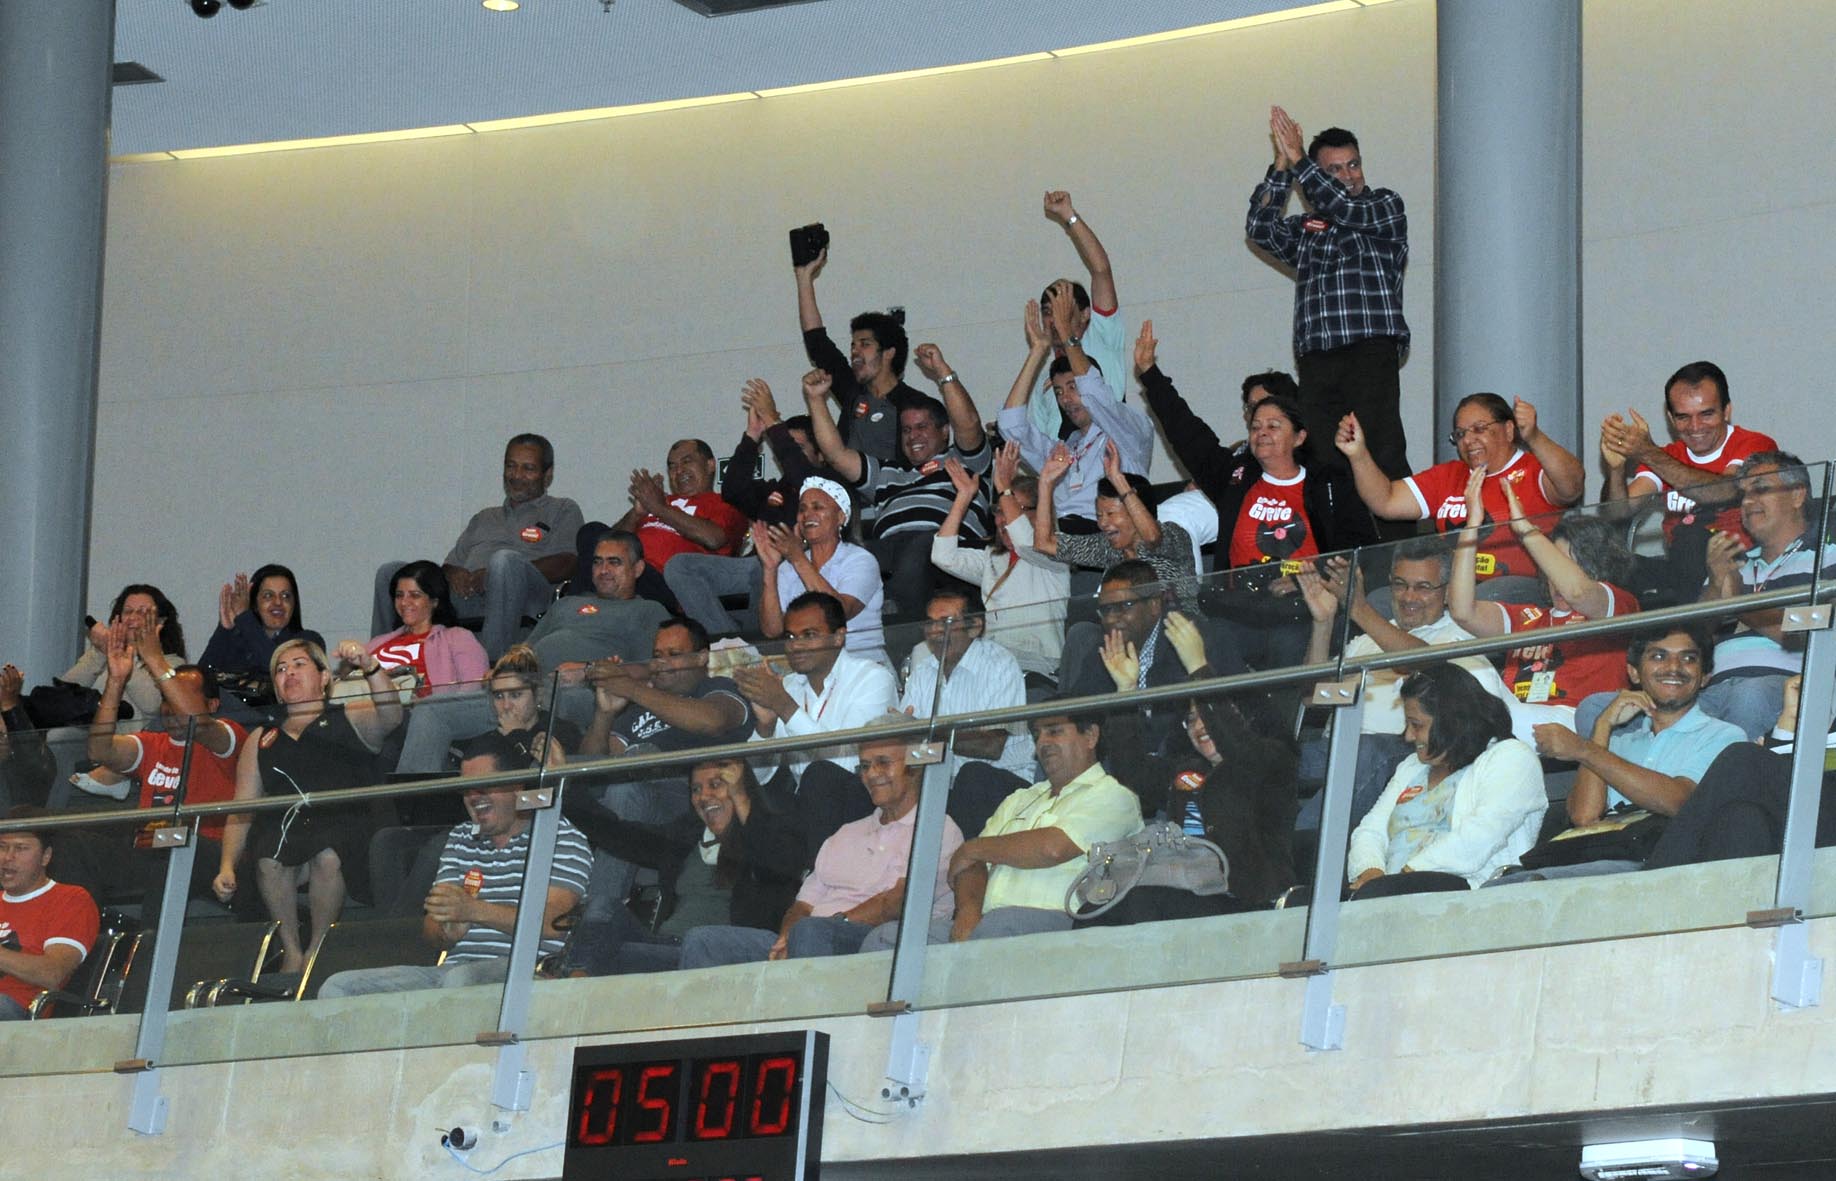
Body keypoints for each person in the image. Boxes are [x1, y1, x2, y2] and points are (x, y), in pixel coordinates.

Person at [317, 733, 591, 998]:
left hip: (529, 973)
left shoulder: (559, 836)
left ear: (515, 786)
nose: (473, 797)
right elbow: (432, 929)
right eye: (466, 789)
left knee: (461, 981)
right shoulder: (461, 838)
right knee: (339, 987)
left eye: (483, 786)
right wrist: (445, 932)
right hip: (452, 971)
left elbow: (553, 923)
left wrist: (474, 910)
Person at [679, 723, 963, 968]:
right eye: (864, 766)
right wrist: (786, 938)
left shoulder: (936, 828)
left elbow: (896, 904)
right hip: (811, 936)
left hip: (875, 942)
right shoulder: (847, 833)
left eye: (883, 762)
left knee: (812, 933)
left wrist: (833, 924)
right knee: (703, 941)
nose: (871, 774)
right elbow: (802, 904)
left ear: (916, 767)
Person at [1080, 612, 1300, 921]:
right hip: (1185, 888)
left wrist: (1199, 669)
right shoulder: (1188, 769)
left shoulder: (1272, 761)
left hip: (1245, 900)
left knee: (1140, 905)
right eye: (1191, 719)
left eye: (1206, 715)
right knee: (1095, 908)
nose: (1199, 725)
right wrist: (1126, 693)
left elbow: (1240, 753)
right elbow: (1133, 773)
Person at [862, 710, 1140, 948]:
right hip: (985, 923)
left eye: (1054, 732)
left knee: (1000, 926)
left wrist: (973, 848)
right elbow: (969, 866)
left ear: (1090, 736)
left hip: (1061, 922)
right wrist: (968, 913)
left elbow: (1053, 848)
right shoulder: (1020, 799)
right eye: (1037, 735)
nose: (1043, 743)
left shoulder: (1113, 795)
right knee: (885, 939)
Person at [1293, 544, 1515, 832]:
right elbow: (1312, 696)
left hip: (1407, 754)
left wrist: (1359, 608)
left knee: (1368, 751)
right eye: (1400, 585)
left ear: (1448, 591)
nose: (1409, 597)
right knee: (1269, 755)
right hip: (1339, 748)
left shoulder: (1460, 639)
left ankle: (1303, 844)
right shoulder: (1366, 640)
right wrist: (1323, 623)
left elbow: (1421, 662)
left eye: (1423, 587)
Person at [1499, 623, 1745, 883]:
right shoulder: (1616, 744)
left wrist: (1583, 749)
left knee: (1519, 885)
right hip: (1604, 861)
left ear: (1704, 676)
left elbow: (1678, 801)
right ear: (1634, 673)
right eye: (1658, 656)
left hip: (1667, 866)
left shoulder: (1725, 736)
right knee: (1504, 884)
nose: (1674, 667)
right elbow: (1584, 816)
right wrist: (1602, 727)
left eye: (1688, 658)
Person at [216, 637, 403, 973]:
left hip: (345, 826)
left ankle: (317, 948)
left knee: (328, 855)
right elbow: (242, 806)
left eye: (299, 665)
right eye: (281, 670)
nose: (288, 673)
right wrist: (227, 864)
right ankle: (291, 948)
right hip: (289, 832)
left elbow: (392, 716)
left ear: (324, 677)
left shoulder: (350, 716)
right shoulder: (262, 738)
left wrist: (370, 666)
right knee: (267, 858)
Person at [1246, 109, 1410, 483]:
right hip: (1317, 358)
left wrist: (1301, 159)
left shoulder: (1384, 206)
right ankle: (1338, 523)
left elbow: (1344, 207)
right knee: (1324, 460)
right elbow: (1260, 228)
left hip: (1370, 348)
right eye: (1334, 169)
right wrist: (1283, 166)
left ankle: (1397, 523)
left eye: (1353, 164)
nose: (1349, 175)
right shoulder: (1308, 227)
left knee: (1380, 450)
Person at [575, 618, 755, 919]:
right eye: (657, 655)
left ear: (701, 657)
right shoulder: (638, 710)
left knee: (629, 778)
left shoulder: (719, 688)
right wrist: (604, 714)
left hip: (693, 798)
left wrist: (631, 688)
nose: (661, 663)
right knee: (607, 785)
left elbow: (711, 721)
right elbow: (591, 769)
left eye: (674, 654)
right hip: (635, 794)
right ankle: (599, 906)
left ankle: (599, 911)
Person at [562, 757, 806, 975]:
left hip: (723, 957)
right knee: (603, 908)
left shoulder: (775, 834)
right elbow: (617, 834)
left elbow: (778, 866)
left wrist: (741, 798)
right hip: (667, 949)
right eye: (696, 789)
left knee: (622, 953)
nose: (704, 796)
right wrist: (562, 781)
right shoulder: (686, 837)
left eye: (716, 785)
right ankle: (575, 984)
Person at [801, 354, 991, 626]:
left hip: (945, 550)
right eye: (906, 430)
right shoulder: (887, 472)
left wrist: (943, 373)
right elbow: (836, 454)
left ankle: (902, 624)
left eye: (922, 427)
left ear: (944, 432)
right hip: (888, 548)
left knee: (919, 546)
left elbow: (969, 424)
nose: (913, 436)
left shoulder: (965, 461)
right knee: (851, 554)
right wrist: (816, 400)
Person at [1337, 393, 1585, 602]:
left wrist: (1534, 436)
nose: (1467, 440)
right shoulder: (1450, 475)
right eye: (1460, 434)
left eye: (1479, 429)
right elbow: (1386, 501)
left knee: (1486, 595)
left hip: (1518, 591)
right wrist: (1358, 454)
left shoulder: (1534, 468)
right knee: (1379, 601)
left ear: (1509, 430)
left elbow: (1572, 486)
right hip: (1451, 589)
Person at [85, 619, 248, 925]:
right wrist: (116, 682)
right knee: (74, 840)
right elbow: (99, 751)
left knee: (173, 843)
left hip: (206, 853)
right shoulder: (152, 743)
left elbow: (195, 723)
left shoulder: (228, 736)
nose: (171, 706)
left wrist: (155, 659)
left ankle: (150, 947)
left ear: (212, 704)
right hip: (151, 847)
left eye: (180, 695)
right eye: (166, 696)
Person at [373, 433, 583, 660]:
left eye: (528, 468)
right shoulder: (485, 517)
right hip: (468, 596)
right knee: (391, 572)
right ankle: (378, 661)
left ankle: (493, 663)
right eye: (511, 466)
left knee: (503, 561)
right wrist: (454, 572)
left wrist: (495, 573)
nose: (517, 475)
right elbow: (448, 565)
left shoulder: (562, 509)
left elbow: (569, 563)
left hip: (527, 600)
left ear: (547, 475)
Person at [1344, 664, 1547, 896]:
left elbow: (1478, 837)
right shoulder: (1412, 766)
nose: (1408, 736)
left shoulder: (1511, 757)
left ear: (1453, 721)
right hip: (1391, 892)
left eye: (1417, 725)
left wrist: (1401, 878)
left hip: (1470, 895)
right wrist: (1371, 873)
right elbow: (1370, 830)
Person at [1448, 466, 1639, 712]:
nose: (1556, 578)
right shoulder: (1528, 619)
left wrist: (1525, 529)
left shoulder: (1619, 604)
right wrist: (1471, 529)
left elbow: (1578, 592)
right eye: (1551, 565)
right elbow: (1463, 612)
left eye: (1568, 566)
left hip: (1578, 719)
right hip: (1519, 720)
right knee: (1463, 664)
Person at [666, 378, 846, 635]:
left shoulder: (827, 485)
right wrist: (752, 435)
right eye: (788, 445)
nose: (789, 452)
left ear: (820, 455)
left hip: (798, 562)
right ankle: (729, 639)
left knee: (764, 566)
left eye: (798, 447)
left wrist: (773, 420)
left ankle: (753, 643)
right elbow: (733, 490)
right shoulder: (774, 489)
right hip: (756, 563)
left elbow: (803, 476)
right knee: (679, 567)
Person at [1600, 361, 1779, 606]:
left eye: (1706, 414)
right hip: (1681, 572)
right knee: (1601, 559)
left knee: (1692, 536)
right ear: (1671, 419)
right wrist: (1616, 469)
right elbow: (1618, 511)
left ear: (1726, 411)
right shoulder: (1666, 456)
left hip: (1742, 568)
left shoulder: (1754, 444)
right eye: (1683, 417)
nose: (1695, 427)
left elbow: (1727, 489)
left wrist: (1648, 453)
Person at [732, 592, 897, 845]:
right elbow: (760, 777)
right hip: (808, 811)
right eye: (790, 637)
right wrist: (766, 725)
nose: (795, 646)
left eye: (809, 635)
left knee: (819, 777)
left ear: (838, 637)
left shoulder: (873, 678)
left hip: (864, 804)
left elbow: (848, 764)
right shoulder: (788, 686)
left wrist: (784, 705)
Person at [1695, 452, 1836, 739]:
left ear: (1797, 495)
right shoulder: (1734, 563)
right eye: (1743, 494)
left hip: (1788, 687)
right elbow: (1694, 640)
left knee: (1748, 695)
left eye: (1760, 489)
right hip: (1712, 687)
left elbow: (1818, 630)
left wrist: (1741, 604)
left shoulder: (1828, 557)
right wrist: (1715, 584)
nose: (1747, 502)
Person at [998, 293, 1153, 522]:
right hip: (1063, 537)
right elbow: (1011, 426)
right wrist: (1038, 350)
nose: (1066, 399)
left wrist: (1067, 335)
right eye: (1059, 392)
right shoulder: (1065, 450)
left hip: (1112, 532)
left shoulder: (1127, 429)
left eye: (1073, 388)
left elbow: (1093, 392)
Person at [897, 585, 1035, 841]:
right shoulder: (924, 671)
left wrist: (926, 734)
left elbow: (991, 746)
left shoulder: (999, 664)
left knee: (971, 775)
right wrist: (913, 740)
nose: (935, 632)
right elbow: (911, 749)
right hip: (943, 788)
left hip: (1001, 787)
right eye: (930, 623)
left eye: (946, 623)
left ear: (975, 627)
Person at [931, 445, 1068, 693]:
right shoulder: (993, 558)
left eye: (1013, 509)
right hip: (995, 661)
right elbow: (943, 556)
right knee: (926, 658)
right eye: (999, 512)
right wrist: (964, 496)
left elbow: (1026, 543)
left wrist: (1004, 488)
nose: (1003, 520)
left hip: (1040, 668)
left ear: (1040, 513)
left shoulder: (1055, 554)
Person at [575, 438, 748, 613]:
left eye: (687, 461)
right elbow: (610, 543)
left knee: (630, 568)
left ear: (710, 465)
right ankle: (577, 608)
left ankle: (580, 609)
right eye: (672, 466)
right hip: (623, 571)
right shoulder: (659, 501)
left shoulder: (725, 504)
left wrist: (659, 508)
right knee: (591, 531)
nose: (679, 470)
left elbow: (714, 539)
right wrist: (637, 513)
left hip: (666, 583)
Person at [792, 242, 924, 464]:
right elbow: (817, 342)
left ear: (888, 353)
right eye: (853, 345)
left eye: (865, 344)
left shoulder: (915, 405)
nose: (855, 351)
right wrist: (804, 278)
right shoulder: (853, 392)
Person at [1033, 439, 1199, 610]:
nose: (1103, 523)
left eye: (1111, 514)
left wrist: (1117, 479)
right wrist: (1045, 483)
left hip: (1182, 625)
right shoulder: (1110, 549)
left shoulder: (1175, 535)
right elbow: (1044, 543)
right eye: (1099, 515)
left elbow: (1151, 538)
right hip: (1130, 627)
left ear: (1137, 511)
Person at [1022, 191, 1131, 441]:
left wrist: (1068, 216)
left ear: (1085, 314)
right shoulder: (1043, 374)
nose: (1054, 320)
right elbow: (1041, 441)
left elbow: (1101, 270)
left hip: (1109, 457)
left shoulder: (1102, 336)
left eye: (1063, 310)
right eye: (1048, 312)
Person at [755, 477, 886, 660]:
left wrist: (797, 558)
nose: (807, 515)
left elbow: (840, 613)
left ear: (841, 517)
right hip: (810, 668)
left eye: (817, 507)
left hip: (861, 664)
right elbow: (772, 630)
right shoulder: (788, 567)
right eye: (802, 509)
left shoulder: (860, 560)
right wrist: (770, 569)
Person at [0, 807, 101, 1020]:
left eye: (20, 848)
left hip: (19, 1009)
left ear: (45, 856)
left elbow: (53, 973)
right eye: (2, 847)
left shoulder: (71, 899)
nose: (8, 857)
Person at [523, 531, 671, 672]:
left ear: (637, 569)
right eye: (597, 562)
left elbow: (651, 670)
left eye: (614, 562)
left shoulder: (648, 611)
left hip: (589, 686)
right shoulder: (565, 603)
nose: (603, 570)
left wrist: (589, 671)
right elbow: (523, 653)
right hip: (529, 682)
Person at [59, 584, 187, 720]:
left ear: (161, 621)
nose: (132, 617)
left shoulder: (172, 664)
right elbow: (62, 696)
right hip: (87, 732)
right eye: (127, 611)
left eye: (143, 612)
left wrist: (127, 658)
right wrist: (100, 653)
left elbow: (154, 706)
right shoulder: (103, 652)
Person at [198, 564, 326, 698]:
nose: (278, 602)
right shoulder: (237, 642)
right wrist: (224, 630)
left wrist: (245, 618)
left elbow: (274, 664)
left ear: (294, 604)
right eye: (268, 595)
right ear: (254, 603)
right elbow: (200, 682)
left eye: (286, 596)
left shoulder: (308, 641)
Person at [367, 560, 489, 696]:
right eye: (399, 595)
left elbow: (474, 695)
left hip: (428, 707)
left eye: (415, 595)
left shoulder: (458, 639)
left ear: (434, 601)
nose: (404, 602)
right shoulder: (376, 643)